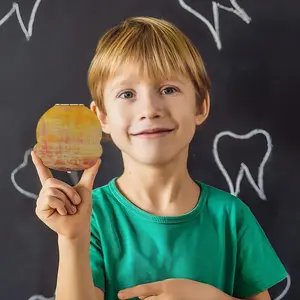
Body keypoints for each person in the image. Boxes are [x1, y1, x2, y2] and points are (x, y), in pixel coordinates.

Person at [31, 16, 287, 300]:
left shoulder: (231, 217)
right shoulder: (91, 217)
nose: (150, 109)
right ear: (101, 117)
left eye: (168, 89)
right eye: (127, 93)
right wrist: (72, 239)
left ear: (200, 105)